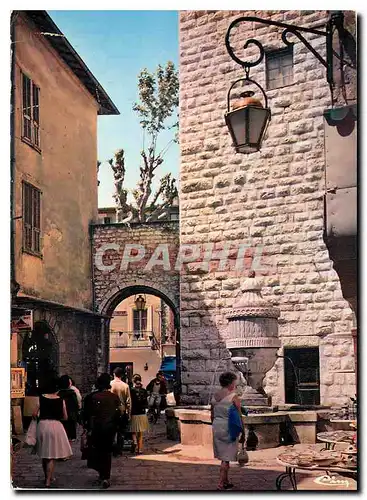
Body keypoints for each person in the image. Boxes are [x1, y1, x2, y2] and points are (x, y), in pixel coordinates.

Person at [82, 373, 122, 489]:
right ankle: (105, 476)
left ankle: (102, 474)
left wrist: (86, 427)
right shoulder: (114, 397)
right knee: (106, 452)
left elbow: (86, 414)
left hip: (96, 428)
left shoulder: (91, 397)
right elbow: (119, 413)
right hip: (110, 428)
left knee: (98, 451)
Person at [32, 377, 72, 487]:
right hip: (56, 426)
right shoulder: (60, 400)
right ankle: (48, 480)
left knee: (45, 455)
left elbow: (34, 414)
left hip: (43, 425)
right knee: (51, 456)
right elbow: (65, 417)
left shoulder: (41, 398)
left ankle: (47, 477)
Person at [211, 371, 243, 490]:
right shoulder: (234, 397)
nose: (235, 385)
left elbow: (212, 414)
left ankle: (225, 481)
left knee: (224, 456)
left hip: (216, 426)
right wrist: (243, 432)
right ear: (231, 383)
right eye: (235, 382)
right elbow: (239, 417)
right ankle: (220, 483)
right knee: (226, 457)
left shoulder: (215, 396)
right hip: (228, 427)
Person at [110, 367, 131, 456]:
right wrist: (128, 413)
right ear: (122, 375)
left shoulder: (110, 384)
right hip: (121, 410)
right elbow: (128, 401)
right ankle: (119, 450)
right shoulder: (125, 386)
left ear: (114, 374)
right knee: (121, 432)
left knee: (111, 431)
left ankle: (111, 448)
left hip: (110, 410)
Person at [130, 374, 149, 454]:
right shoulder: (144, 391)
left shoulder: (131, 390)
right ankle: (140, 449)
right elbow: (146, 403)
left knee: (133, 431)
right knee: (140, 433)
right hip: (142, 413)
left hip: (134, 412)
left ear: (133, 381)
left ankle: (134, 441)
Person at [58, 375, 79, 441]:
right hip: (71, 415)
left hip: (61, 416)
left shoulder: (58, 394)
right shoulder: (72, 393)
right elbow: (76, 404)